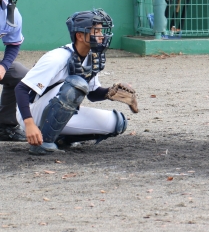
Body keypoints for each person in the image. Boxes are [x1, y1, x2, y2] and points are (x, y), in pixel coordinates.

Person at [15, 9, 139, 155]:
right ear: (79, 36)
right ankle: (43, 144)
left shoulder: (91, 56)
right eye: (96, 31)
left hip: (59, 112)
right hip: (32, 112)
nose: (101, 36)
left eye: (101, 31)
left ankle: (60, 139)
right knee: (76, 84)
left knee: (118, 122)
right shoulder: (56, 58)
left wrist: (110, 93)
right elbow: (21, 89)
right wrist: (29, 124)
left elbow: (92, 93)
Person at [0, 0, 28, 142]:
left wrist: (3, 66)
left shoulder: (10, 11)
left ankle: (5, 126)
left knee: (20, 73)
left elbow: (13, 44)